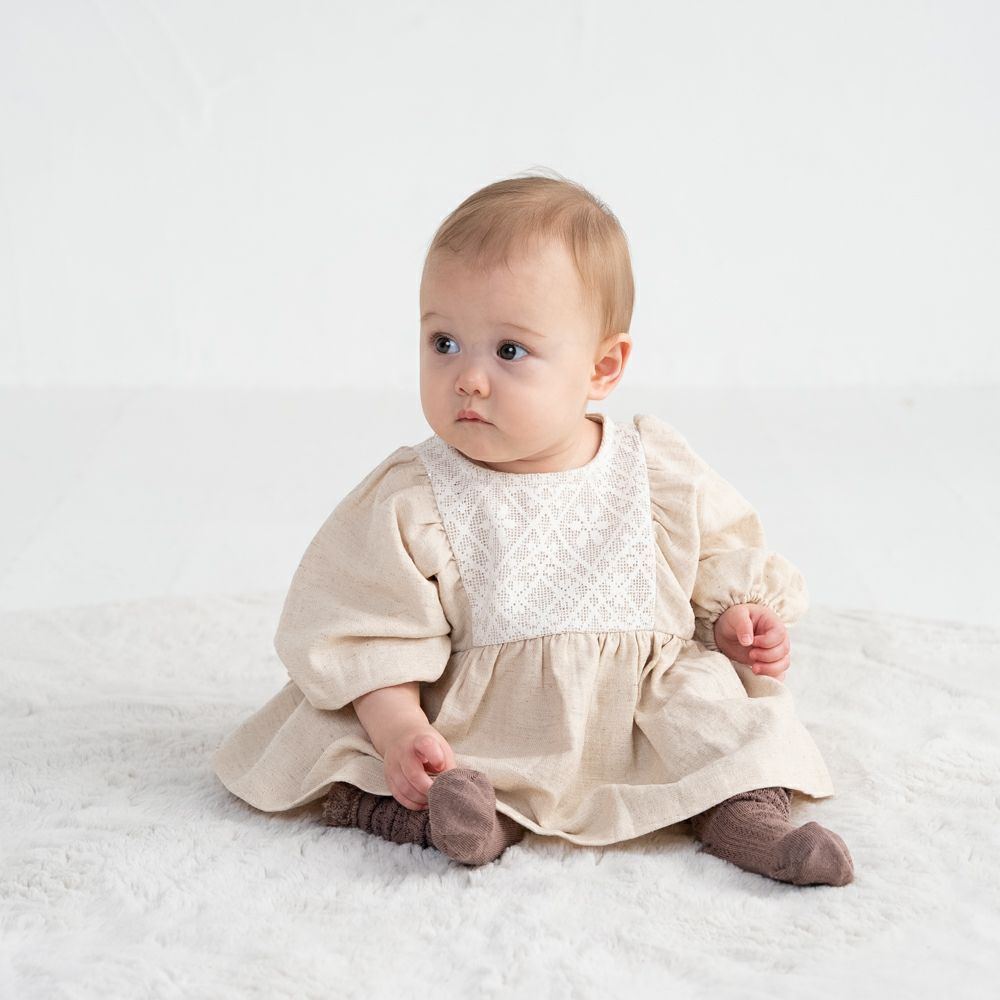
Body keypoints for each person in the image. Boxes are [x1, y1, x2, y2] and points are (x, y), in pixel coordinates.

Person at [210, 171, 854, 886]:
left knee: (733, 733)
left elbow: (717, 557)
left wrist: (736, 619)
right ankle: (449, 817)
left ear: (602, 367)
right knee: (387, 762)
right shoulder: (417, 498)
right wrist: (402, 732)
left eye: (509, 351)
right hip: (495, 726)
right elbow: (370, 636)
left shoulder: (656, 470)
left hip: (647, 712)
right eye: (444, 342)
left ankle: (748, 816)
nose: (468, 378)